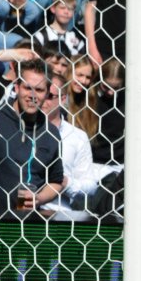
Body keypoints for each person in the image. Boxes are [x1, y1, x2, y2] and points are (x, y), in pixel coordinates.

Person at [0, 59, 63, 212]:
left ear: (47, 92)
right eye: (27, 88)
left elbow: (56, 181)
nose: (32, 95)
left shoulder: (51, 133)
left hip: (27, 225)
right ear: (17, 87)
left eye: (39, 90)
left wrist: (38, 199)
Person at [39, 73, 99, 214]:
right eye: (39, 93)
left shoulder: (77, 137)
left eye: (49, 96)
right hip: (22, 211)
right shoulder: (20, 130)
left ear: (62, 99)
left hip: (58, 214)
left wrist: (66, 183)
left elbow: (91, 186)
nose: (41, 100)